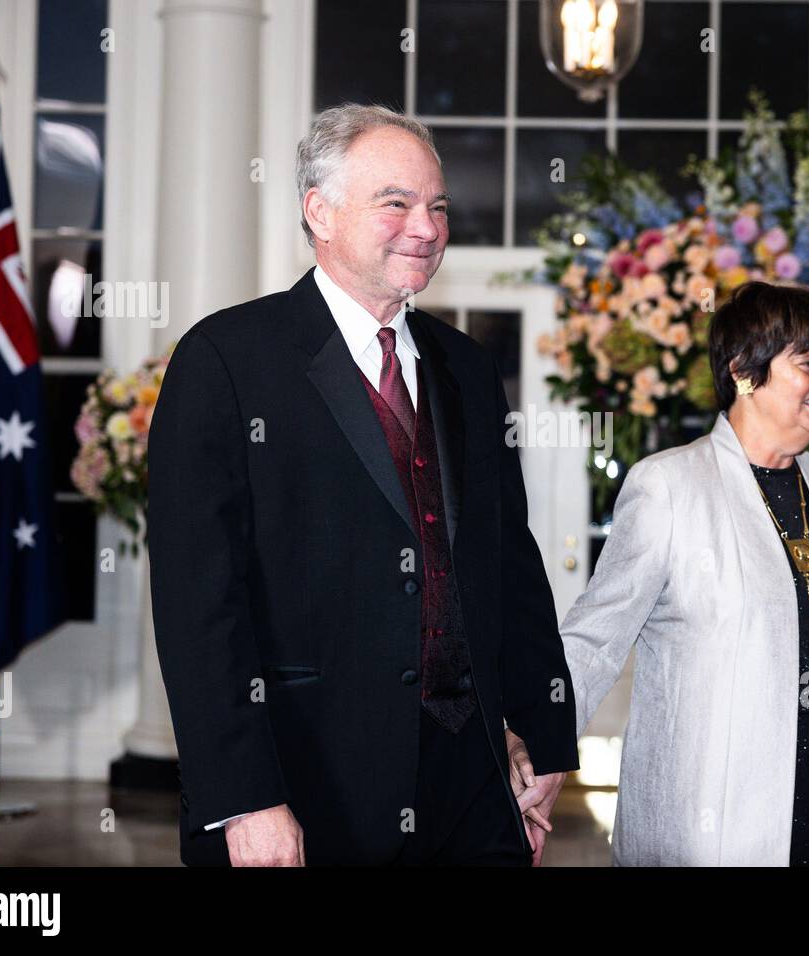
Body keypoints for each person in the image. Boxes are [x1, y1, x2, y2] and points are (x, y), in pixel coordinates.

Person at [147, 103, 578, 866]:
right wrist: (244, 797)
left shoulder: (468, 370)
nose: (427, 226)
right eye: (397, 203)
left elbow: (510, 558)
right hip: (304, 786)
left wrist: (542, 734)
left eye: (438, 206)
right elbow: (197, 607)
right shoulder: (225, 360)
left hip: (472, 788)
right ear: (320, 211)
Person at [552, 280, 809, 865]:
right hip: (715, 817)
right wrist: (537, 746)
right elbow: (595, 638)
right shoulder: (669, 486)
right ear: (745, 370)